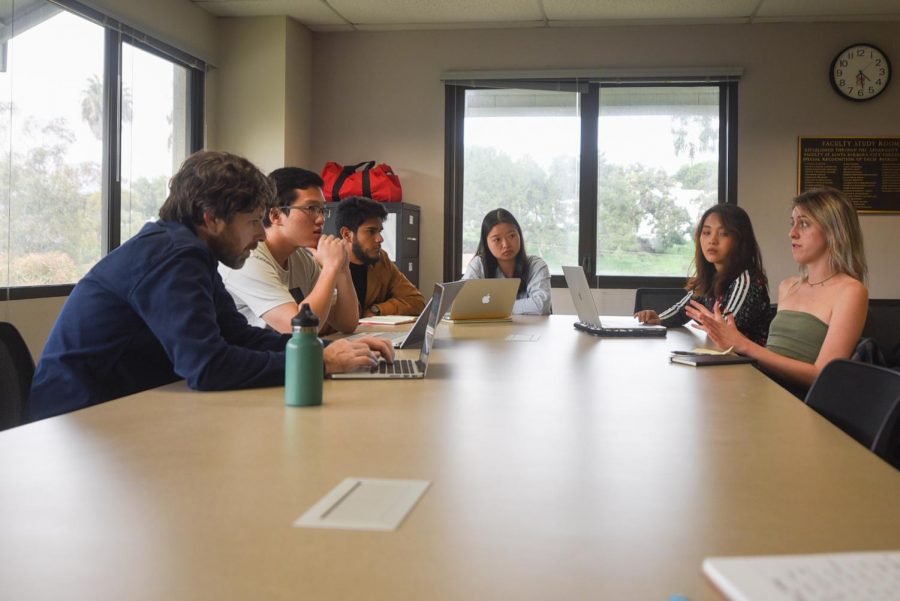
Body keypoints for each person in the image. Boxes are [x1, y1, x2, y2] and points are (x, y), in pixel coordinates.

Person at [27, 151, 392, 422]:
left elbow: (239, 336)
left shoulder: (189, 253)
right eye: (252, 221)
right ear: (211, 218)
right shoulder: (172, 256)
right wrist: (318, 361)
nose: (262, 234)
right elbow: (208, 366)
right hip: (75, 422)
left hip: (120, 410)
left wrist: (317, 348)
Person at [689, 188, 868, 395]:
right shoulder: (788, 286)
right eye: (792, 223)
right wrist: (730, 345)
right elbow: (773, 359)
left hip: (796, 405)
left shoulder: (851, 291)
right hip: (762, 388)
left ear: (834, 231)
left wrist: (743, 345)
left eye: (804, 223)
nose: (792, 233)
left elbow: (821, 376)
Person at [220, 167, 359, 334]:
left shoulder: (301, 258)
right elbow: (298, 331)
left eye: (322, 210)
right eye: (311, 209)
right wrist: (330, 268)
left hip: (281, 356)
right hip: (248, 358)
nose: (321, 218)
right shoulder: (248, 259)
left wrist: (342, 269)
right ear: (276, 215)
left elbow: (347, 324)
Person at [635, 204, 772, 345]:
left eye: (723, 233)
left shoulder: (746, 281)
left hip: (748, 364)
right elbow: (685, 310)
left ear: (740, 240)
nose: (712, 240)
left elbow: (723, 330)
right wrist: (659, 319)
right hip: (722, 357)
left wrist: (704, 318)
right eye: (706, 233)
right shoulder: (710, 277)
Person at [335, 196, 426, 317]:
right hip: (337, 336)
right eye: (371, 231)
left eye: (380, 231)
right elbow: (316, 322)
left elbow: (416, 302)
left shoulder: (381, 260)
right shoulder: (325, 265)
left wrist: (377, 310)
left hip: (370, 334)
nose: (380, 239)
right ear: (347, 234)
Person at [462, 208, 551, 315]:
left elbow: (541, 305)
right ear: (486, 243)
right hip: (490, 331)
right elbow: (464, 302)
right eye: (497, 239)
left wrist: (491, 307)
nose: (506, 244)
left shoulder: (536, 265)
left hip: (530, 330)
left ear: (519, 235)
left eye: (512, 236)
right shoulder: (479, 265)